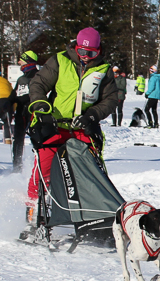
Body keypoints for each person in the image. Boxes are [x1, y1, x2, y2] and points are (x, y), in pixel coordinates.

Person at [23, 26, 118, 236]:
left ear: (98, 51)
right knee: (44, 167)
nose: (85, 57)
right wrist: (40, 106)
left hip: (82, 127)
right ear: (75, 48)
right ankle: (33, 214)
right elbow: (38, 84)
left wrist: (92, 115)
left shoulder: (104, 69)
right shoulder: (59, 60)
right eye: (81, 52)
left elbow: (110, 99)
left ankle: (95, 217)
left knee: (90, 170)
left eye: (90, 53)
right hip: (54, 125)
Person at [11, 51, 40, 172]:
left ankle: (39, 164)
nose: (19, 62)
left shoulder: (38, 76)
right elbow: (14, 94)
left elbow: (34, 94)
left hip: (34, 111)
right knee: (18, 139)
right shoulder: (21, 79)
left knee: (37, 138)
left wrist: (18, 99)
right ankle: (17, 165)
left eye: (21, 60)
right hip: (20, 112)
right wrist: (9, 102)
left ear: (28, 61)